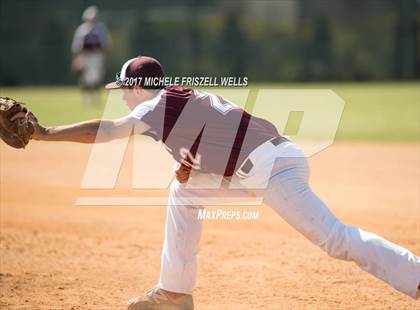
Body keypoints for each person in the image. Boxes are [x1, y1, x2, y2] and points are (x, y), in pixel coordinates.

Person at [18, 56, 420, 309]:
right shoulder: (175, 103)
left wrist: (45, 132)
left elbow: (107, 131)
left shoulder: (156, 104)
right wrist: (188, 168)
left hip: (271, 168)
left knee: (335, 239)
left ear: (138, 87)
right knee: (183, 192)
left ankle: (415, 276)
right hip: (263, 162)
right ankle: (174, 293)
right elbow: (207, 145)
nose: (121, 97)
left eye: (122, 89)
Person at [71, 6, 112, 105]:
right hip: (85, 55)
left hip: (97, 55)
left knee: (96, 78)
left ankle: (96, 98)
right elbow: (77, 46)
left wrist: (104, 57)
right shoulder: (81, 29)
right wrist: (76, 59)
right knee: (85, 78)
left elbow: (105, 44)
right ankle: (86, 98)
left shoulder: (101, 29)